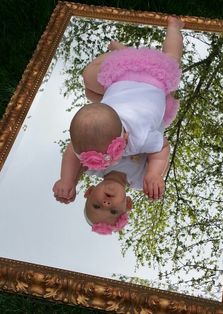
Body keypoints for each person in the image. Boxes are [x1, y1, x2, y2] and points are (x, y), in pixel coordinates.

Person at [53, 16, 184, 233]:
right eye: (113, 211)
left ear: (89, 191)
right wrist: (154, 175)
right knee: (170, 60)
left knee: (88, 85)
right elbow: (161, 148)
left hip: (127, 78)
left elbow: (72, 150)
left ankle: (126, 54)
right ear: (127, 204)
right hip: (151, 79)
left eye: (96, 205)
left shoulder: (96, 165)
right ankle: (172, 28)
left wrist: (68, 180)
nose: (106, 204)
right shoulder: (140, 179)